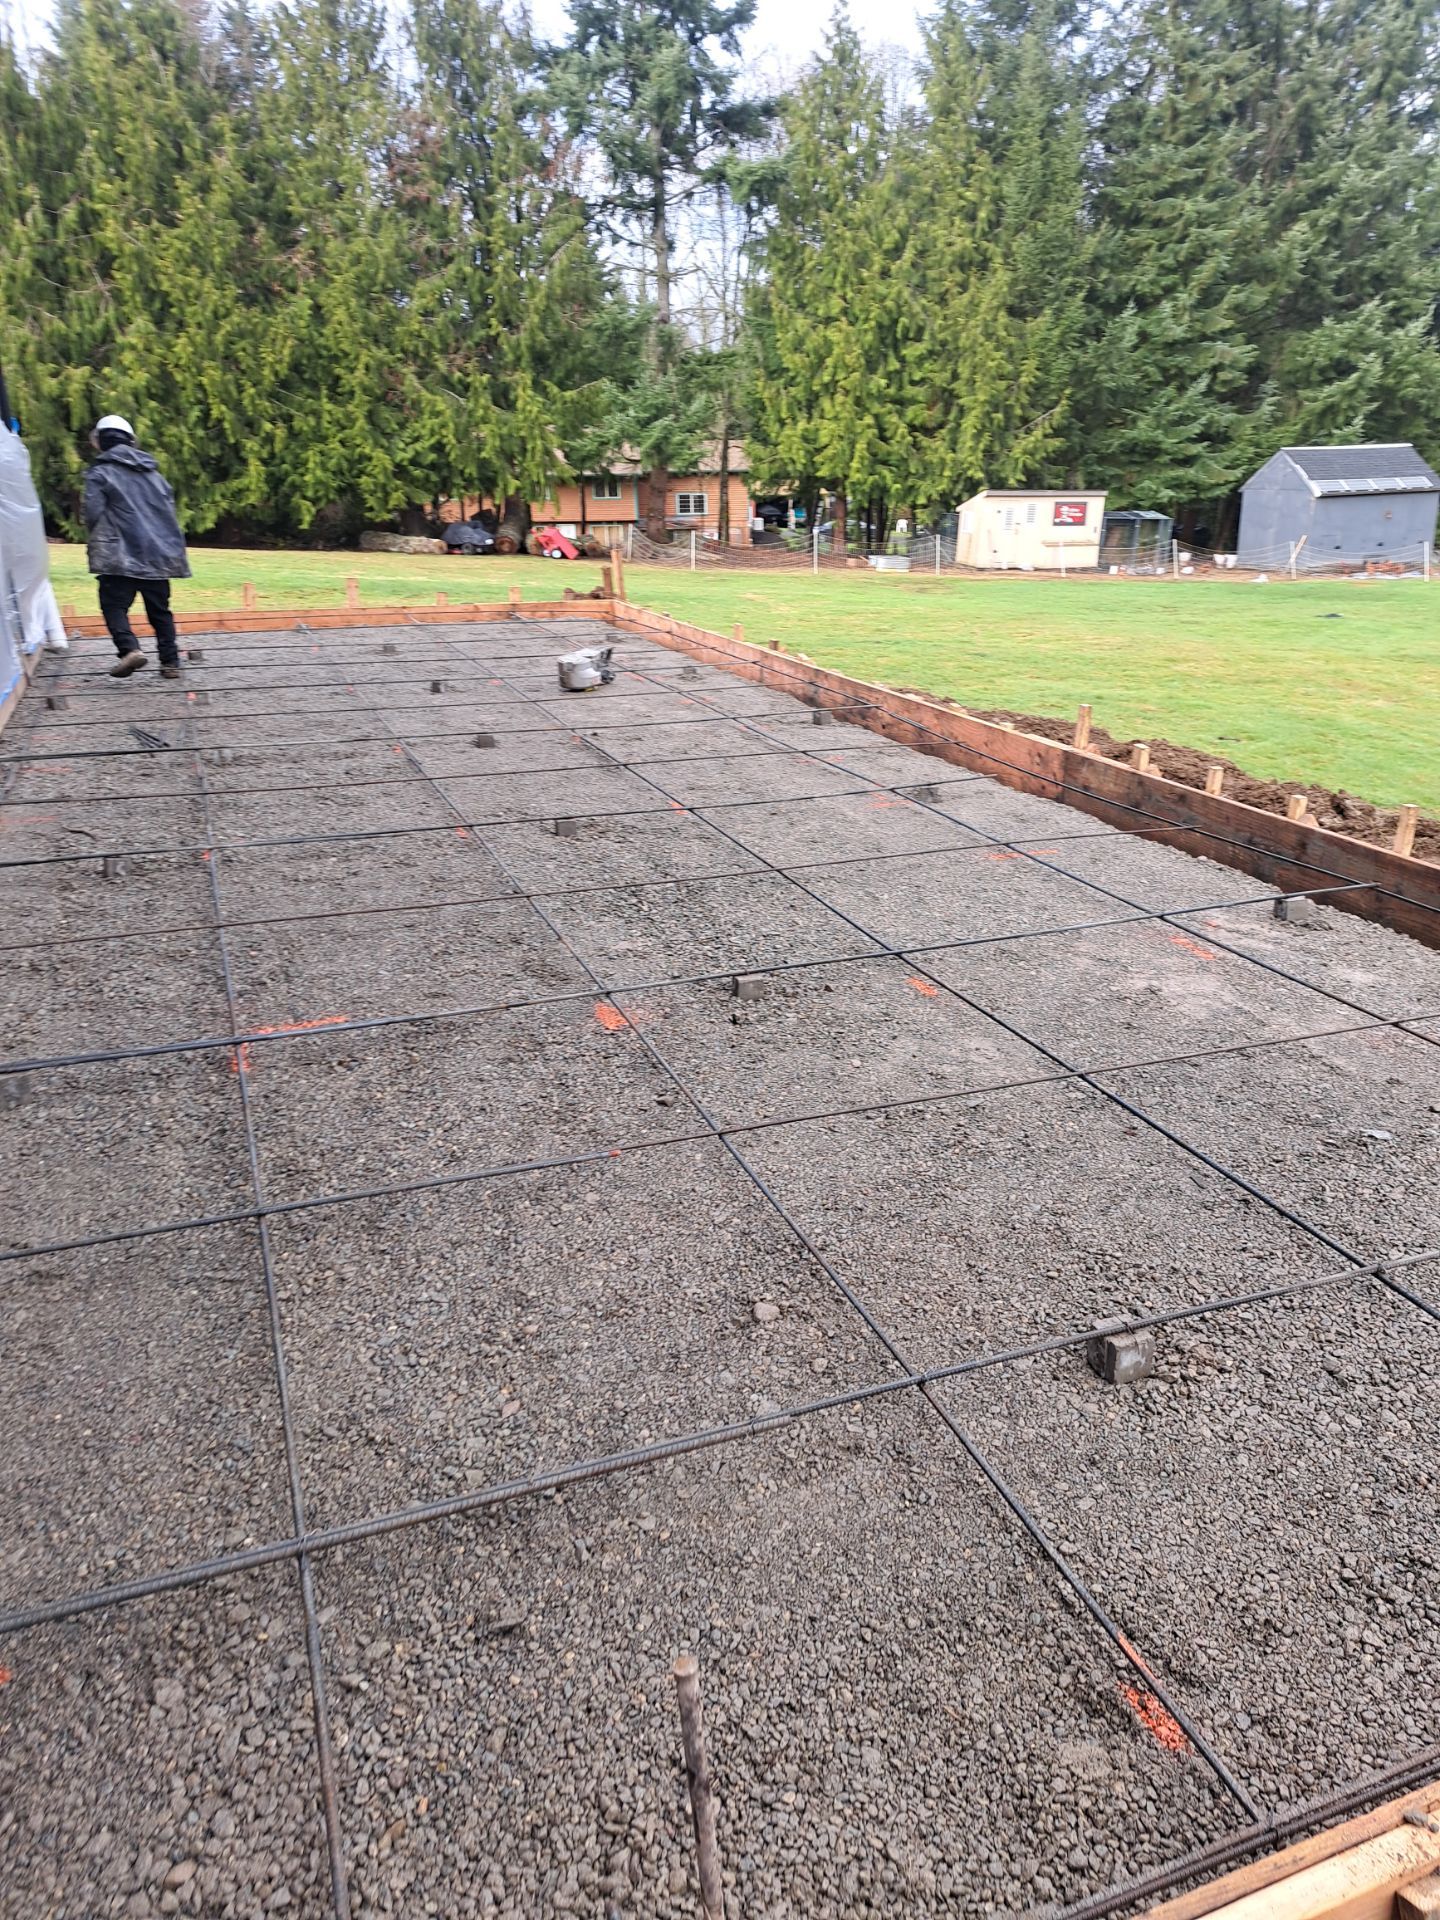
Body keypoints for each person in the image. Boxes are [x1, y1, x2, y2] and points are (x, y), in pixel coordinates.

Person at [83, 414, 191, 679]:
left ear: (100, 442)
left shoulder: (100, 473)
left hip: (120, 555)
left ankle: (129, 649)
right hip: (158, 554)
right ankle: (170, 663)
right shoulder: (156, 476)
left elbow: (92, 513)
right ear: (131, 441)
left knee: (113, 605)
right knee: (160, 611)